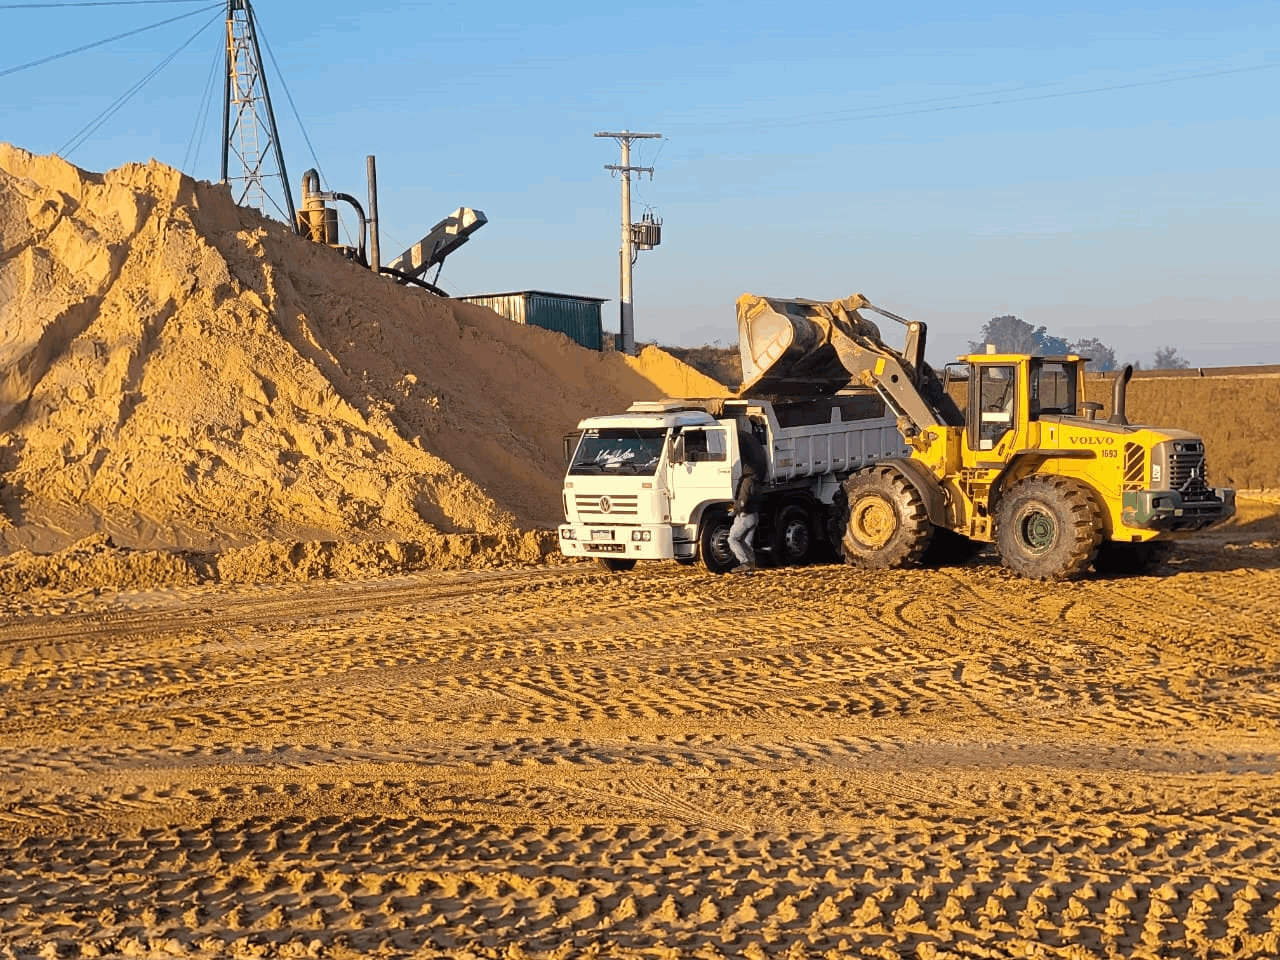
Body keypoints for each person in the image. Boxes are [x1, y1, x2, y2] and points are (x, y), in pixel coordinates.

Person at [727, 460, 761, 574]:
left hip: (746, 516)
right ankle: (751, 566)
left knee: (733, 539)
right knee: (745, 542)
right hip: (754, 516)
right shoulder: (755, 481)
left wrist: (734, 509)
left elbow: (743, 500)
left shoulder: (746, 481)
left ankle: (744, 563)